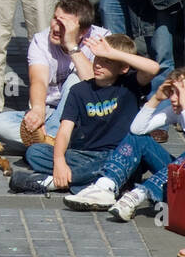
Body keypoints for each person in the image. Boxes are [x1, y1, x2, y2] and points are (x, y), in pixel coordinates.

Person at [13, 34, 159, 194]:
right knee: (35, 153)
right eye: (97, 58)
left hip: (120, 154)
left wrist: (114, 53)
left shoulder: (129, 84)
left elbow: (153, 68)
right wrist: (60, 161)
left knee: (126, 159)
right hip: (84, 155)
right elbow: (65, 130)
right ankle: (104, 182)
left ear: (124, 68)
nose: (98, 65)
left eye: (107, 61)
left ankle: (51, 182)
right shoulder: (79, 90)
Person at [63, 66, 185, 220]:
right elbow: (136, 130)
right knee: (138, 139)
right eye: (172, 91)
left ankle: (139, 194)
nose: (173, 98)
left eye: (180, 94)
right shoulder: (179, 110)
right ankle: (105, 186)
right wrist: (156, 99)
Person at [0, 0, 106, 152]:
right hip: (50, 111)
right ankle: (58, 143)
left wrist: (72, 45)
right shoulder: (40, 41)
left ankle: (49, 144)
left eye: (64, 25)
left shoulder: (102, 39)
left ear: (83, 31)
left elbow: (95, 83)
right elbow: (38, 80)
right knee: (0, 123)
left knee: (75, 82)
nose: (56, 28)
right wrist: (38, 110)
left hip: (86, 114)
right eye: (55, 19)